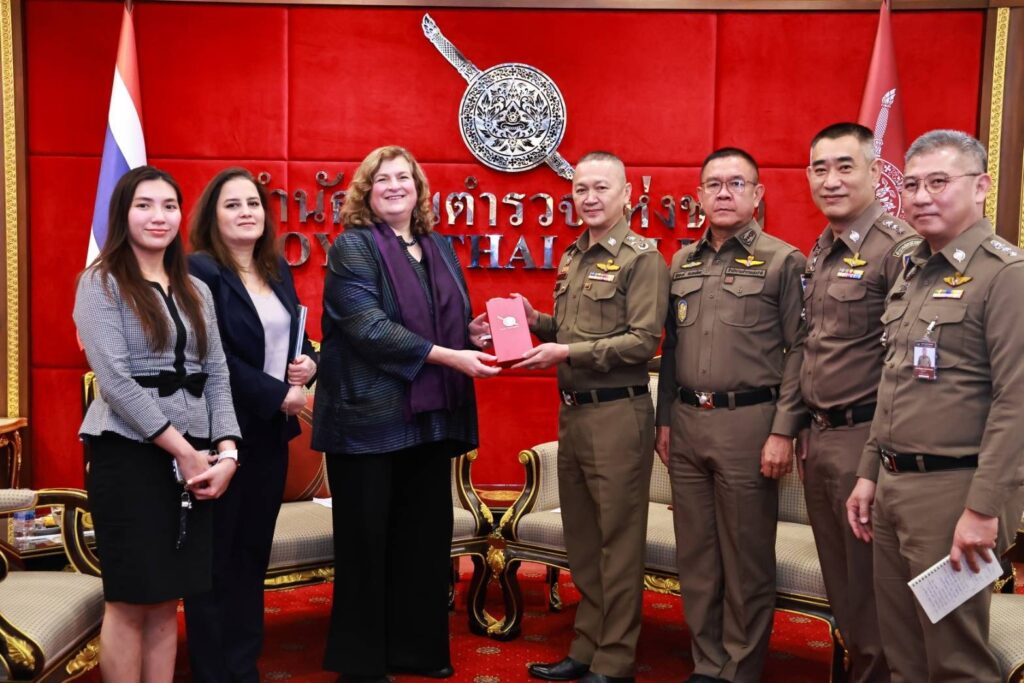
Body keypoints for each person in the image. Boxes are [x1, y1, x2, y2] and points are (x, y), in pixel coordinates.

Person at [311, 145, 498, 683]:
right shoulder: (352, 247)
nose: (394, 186)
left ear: (418, 189)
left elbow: (446, 323)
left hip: (429, 421)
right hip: (368, 421)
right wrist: (451, 357)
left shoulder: (439, 247)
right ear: (366, 192)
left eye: (404, 177)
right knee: (366, 542)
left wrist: (471, 335)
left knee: (423, 538)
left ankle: (417, 650)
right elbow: (368, 328)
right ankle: (362, 662)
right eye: (382, 179)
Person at [846, 130, 1024, 682]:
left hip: (956, 494)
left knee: (953, 661)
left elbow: (1016, 403)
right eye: (913, 184)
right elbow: (895, 382)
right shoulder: (912, 268)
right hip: (894, 486)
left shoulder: (1006, 275)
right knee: (904, 655)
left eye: (939, 182)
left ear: (981, 187)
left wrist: (983, 509)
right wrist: (869, 473)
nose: (922, 196)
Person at [74, 166, 240, 682]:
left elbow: (217, 375)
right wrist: (184, 452)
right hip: (129, 456)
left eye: (169, 206)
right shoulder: (100, 283)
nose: (158, 216)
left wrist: (227, 452)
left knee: (169, 598)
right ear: (123, 213)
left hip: (197, 458)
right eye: (144, 205)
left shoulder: (197, 289)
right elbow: (115, 383)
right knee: (130, 598)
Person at [514, 151, 668, 683]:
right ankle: (585, 649)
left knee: (618, 544)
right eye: (581, 188)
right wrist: (533, 321)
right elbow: (569, 330)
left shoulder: (643, 259)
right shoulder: (574, 255)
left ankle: (614, 660)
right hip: (574, 415)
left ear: (627, 194)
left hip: (619, 414)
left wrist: (566, 353)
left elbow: (643, 341)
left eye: (602, 187)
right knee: (582, 540)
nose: (590, 197)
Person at [655, 148, 805, 683]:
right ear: (698, 195)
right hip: (688, 421)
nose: (724, 192)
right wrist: (664, 420)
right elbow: (670, 348)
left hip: (750, 423)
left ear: (757, 194)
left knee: (745, 556)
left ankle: (739, 668)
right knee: (696, 556)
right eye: (713, 184)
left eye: (736, 183)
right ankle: (707, 662)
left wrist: (784, 430)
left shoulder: (783, 260)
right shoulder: (681, 262)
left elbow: (800, 350)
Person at [184, 168, 318, 682]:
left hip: (269, 436)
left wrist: (309, 363)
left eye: (254, 203)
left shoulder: (275, 268)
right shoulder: (201, 270)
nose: (246, 212)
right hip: (219, 435)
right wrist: (277, 393)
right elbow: (211, 353)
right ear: (213, 216)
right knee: (216, 561)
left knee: (251, 557)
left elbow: (297, 337)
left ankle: (243, 668)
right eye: (233, 204)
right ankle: (212, 671)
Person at [796, 123, 920, 683]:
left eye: (845, 166)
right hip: (820, 438)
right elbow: (812, 346)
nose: (831, 180)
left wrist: (874, 457)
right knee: (843, 590)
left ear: (875, 172)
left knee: (872, 595)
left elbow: (904, 364)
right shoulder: (823, 247)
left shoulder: (898, 249)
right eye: (820, 168)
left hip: (864, 440)